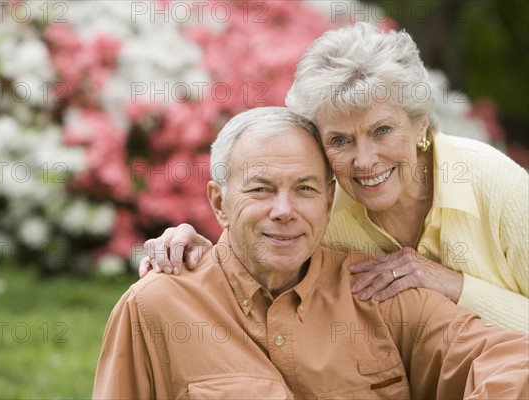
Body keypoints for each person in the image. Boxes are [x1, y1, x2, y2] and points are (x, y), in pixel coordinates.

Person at [93, 107, 528, 399]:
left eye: (304, 189)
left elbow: (508, 359)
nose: (284, 211)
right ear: (219, 203)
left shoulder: (379, 290)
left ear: (327, 199)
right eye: (261, 190)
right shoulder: (155, 307)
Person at [138, 22, 529, 331]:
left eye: (382, 131)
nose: (364, 161)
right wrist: (194, 248)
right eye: (340, 140)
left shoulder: (496, 186)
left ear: (420, 126)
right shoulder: (319, 208)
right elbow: (248, 272)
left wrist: (454, 285)